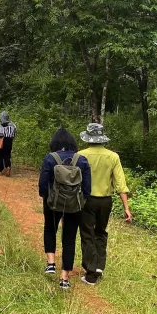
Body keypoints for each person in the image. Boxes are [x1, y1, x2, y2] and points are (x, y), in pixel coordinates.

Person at [76, 123, 133, 285]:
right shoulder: (113, 157)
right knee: (101, 232)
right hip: (105, 202)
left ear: (88, 138)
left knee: (87, 234)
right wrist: (126, 208)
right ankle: (99, 266)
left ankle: (91, 273)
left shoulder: (80, 156)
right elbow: (120, 184)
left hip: (87, 200)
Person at [38, 127, 91, 290]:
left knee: (50, 229)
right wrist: (80, 201)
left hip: (53, 202)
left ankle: (51, 263)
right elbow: (87, 189)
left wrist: (46, 197)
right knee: (69, 238)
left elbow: (43, 185)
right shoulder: (81, 160)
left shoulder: (50, 158)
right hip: (74, 205)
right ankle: (64, 278)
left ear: (54, 143)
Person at [0, 111, 17, 176]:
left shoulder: (0, 125)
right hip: (9, 141)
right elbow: (14, 133)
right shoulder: (13, 125)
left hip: (0, 141)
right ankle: (8, 167)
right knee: (7, 155)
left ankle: (0, 170)